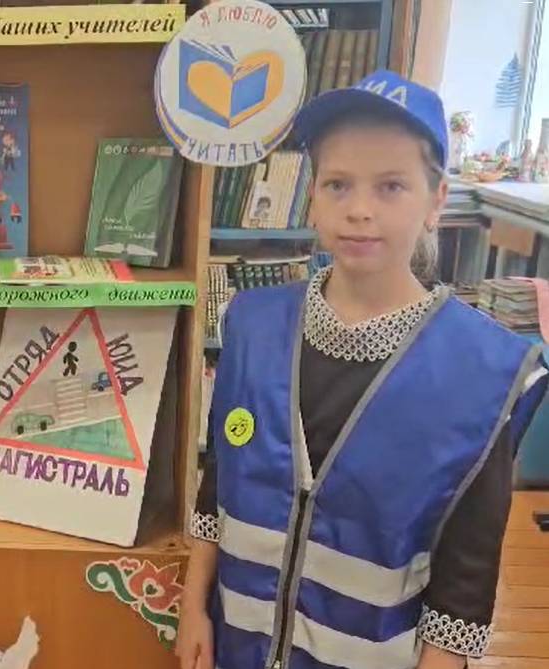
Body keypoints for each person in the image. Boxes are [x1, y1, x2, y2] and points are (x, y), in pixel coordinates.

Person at [176, 70, 549, 669]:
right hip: (237, 646)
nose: (359, 211)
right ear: (313, 196)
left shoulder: (481, 376)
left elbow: (466, 576)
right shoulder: (251, 326)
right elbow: (220, 482)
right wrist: (194, 605)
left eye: (391, 186)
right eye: (338, 184)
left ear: (436, 201)